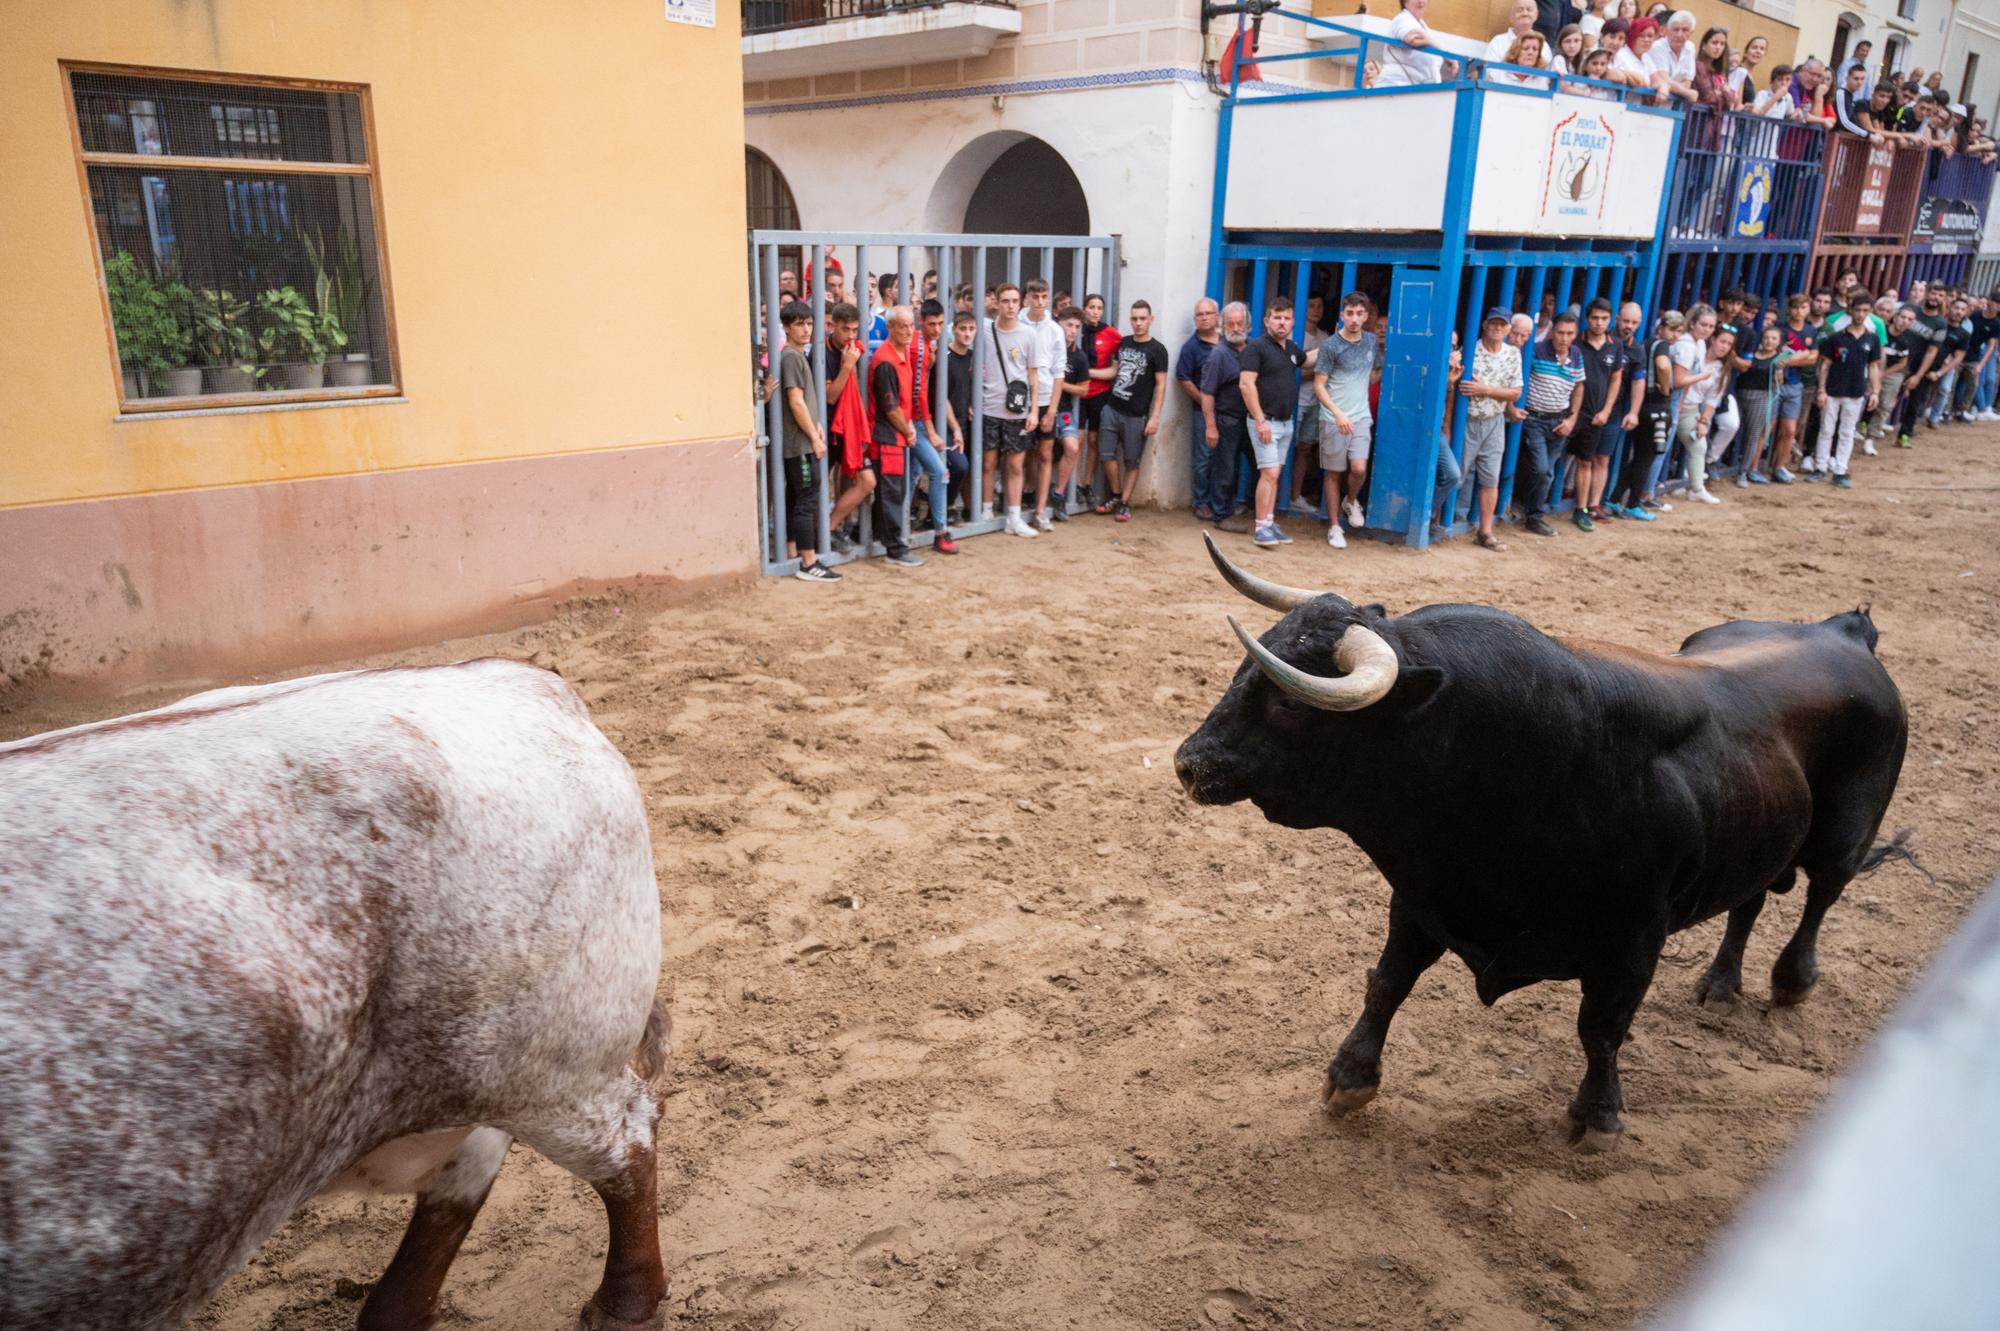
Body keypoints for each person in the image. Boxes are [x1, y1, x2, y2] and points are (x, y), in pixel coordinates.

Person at [775, 301, 840, 583]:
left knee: (797, 499)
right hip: (800, 444)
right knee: (807, 500)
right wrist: (814, 437)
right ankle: (808, 562)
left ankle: (792, 552)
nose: (806, 329)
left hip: (804, 439)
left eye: (809, 323)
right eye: (800, 324)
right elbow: (795, 401)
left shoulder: (799, 354)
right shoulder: (790, 356)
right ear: (787, 327)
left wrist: (817, 426)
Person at [1237, 297, 1306, 546]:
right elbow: (1246, 384)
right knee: (1269, 473)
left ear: (1293, 322)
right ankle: (1260, 527)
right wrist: (1260, 420)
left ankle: (1269, 521)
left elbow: (1308, 360)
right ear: (1267, 321)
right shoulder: (1256, 347)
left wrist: (1339, 341)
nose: (1282, 323)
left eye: (1287, 318)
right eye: (1277, 318)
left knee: (1274, 474)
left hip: (1285, 423)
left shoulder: (1290, 349)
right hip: (1265, 422)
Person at [1314, 291, 1381, 549]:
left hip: (1361, 416)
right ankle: (1334, 526)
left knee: (1359, 468)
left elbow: (1373, 375)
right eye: (1349, 313)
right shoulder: (1331, 345)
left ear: (1366, 316)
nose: (1354, 319)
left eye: (1359, 314)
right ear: (1342, 315)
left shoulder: (1371, 342)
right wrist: (1337, 412)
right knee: (1333, 473)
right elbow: (1320, 385)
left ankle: (1350, 501)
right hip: (1333, 418)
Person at [1093, 300, 1169, 523]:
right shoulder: (1124, 343)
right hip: (1112, 408)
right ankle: (1116, 495)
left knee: (1132, 461)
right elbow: (1113, 372)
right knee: (1106, 455)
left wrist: (1154, 417)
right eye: (1134, 319)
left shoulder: (1158, 350)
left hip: (1137, 415)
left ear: (1150, 320)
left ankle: (1125, 503)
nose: (1138, 323)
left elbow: (1161, 386)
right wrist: (1086, 373)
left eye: (1142, 319)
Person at [863, 306, 928, 567]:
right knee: (892, 493)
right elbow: (890, 407)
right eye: (903, 325)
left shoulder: (899, 355)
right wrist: (908, 429)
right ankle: (895, 549)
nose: (909, 330)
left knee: (893, 491)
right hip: (888, 436)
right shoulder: (887, 360)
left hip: (892, 435)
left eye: (911, 325)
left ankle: (883, 538)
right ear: (889, 327)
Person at [981, 282, 1044, 538]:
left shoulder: (1029, 334)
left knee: (1016, 465)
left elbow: (1033, 375)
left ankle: (1014, 517)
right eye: (1005, 301)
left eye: (1014, 301)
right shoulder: (985, 331)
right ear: (996, 302)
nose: (1010, 306)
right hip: (990, 406)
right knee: (988, 462)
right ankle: (985, 512)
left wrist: (1034, 411)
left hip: (1017, 410)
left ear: (1021, 303)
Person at [1457, 307, 1523, 549]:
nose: (1497, 328)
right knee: (1457, 475)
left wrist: (1486, 390)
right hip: (1468, 420)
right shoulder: (1469, 352)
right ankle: (1442, 521)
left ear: (1508, 328)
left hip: (1495, 421)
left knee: (1490, 479)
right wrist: (1498, 393)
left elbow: (1516, 391)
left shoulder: (1512, 353)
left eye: (1502, 324)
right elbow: (1462, 387)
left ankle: (1485, 531)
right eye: (1493, 323)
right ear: (1484, 324)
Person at [1518, 310, 1585, 536]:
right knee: (1542, 470)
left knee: (1547, 472)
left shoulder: (1576, 354)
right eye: (1560, 333)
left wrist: (1572, 418)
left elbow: (1579, 386)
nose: (1564, 338)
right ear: (1552, 332)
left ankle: (1532, 514)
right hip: (1534, 418)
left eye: (1569, 333)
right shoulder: (1536, 351)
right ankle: (1533, 515)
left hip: (1560, 421)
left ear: (1575, 334)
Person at [1611, 309, 1683, 518]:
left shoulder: (1645, 344)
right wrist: (1666, 386)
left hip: (1642, 407)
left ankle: (1616, 499)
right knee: (1646, 458)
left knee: (1639, 457)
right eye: (1672, 330)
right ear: (1661, 328)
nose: (1675, 335)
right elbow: (1662, 365)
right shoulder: (1661, 346)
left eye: (1679, 331)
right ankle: (1633, 503)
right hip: (1657, 407)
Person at [1812, 289, 1882, 488]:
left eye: (1864, 311)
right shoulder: (1836, 338)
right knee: (1827, 429)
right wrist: (1822, 390)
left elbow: (1874, 366)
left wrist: (1875, 391)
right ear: (1850, 310)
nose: (1860, 314)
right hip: (1833, 389)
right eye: (1857, 310)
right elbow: (1824, 366)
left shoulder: (1872, 339)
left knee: (1847, 431)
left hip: (1855, 390)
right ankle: (1821, 466)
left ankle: (1840, 469)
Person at [909, 299, 962, 553]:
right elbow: (918, 392)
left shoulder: (927, 344)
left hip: (916, 418)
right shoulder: (919, 346)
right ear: (921, 322)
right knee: (940, 472)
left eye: (941, 324)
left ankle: (899, 526)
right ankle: (940, 531)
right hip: (915, 420)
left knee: (911, 475)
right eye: (932, 324)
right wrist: (930, 431)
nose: (938, 329)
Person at [1570, 298, 1627, 527]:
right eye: (1594, 318)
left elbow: (1616, 379)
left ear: (1612, 320)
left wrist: (1606, 410)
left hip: (1596, 413)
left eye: (1604, 319)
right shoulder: (1575, 341)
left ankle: (1581, 508)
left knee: (1586, 460)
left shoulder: (1615, 344)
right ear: (1587, 319)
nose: (1599, 323)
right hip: (1570, 411)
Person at [1020, 279, 1071, 531]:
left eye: (1044, 296)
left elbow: (1059, 371)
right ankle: (1015, 507)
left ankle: (1041, 511)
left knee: (1045, 454)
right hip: (1019, 399)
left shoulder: (1055, 330)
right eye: (1035, 296)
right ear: (1027, 297)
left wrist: (1052, 409)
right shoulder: (1017, 322)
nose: (1040, 302)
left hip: (1046, 399)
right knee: (1017, 456)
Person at [1199, 303, 1252, 527]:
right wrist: (1211, 426)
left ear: (1248, 325)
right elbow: (1207, 394)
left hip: (1248, 420)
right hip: (1226, 420)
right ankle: (1221, 515)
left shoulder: (1252, 350)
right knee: (1225, 469)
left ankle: (1240, 505)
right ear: (1223, 325)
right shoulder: (1218, 355)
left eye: (1240, 323)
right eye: (1231, 323)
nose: (1236, 327)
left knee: (1250, 466)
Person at [1668, 303, 1721, 502]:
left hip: (1687, 405)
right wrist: (1703, 376)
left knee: (1698, 446)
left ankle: (1696, 488)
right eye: (1703, 325)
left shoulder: (1699, 344)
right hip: (1678, 403)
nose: (1707, 330)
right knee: (1660, 450)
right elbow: (1679, 380)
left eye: (1711, 326)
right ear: (1693, 324)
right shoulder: (1686, 345)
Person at [1176, 298, 1222, 519]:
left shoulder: (1229, 342)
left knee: (1225, 459)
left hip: (1230, 412)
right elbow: (1184, 380)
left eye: (1208, 313)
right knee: (1203, 459)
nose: (1204, 318)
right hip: (1202, 414)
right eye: (1199, 315)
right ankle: (1202, 502)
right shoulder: (1191, 348)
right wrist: (1206, 403)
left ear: (1217, 316)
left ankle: (1224, 503)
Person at [1890, 287, 1949, 449]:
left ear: (1944, 299)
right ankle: (1867, 428)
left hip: (1919, 366)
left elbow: (1932, 351)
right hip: (1895, 361)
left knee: (1915, 403)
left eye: (1940, 295)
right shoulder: (1910, 310)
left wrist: (1919, 375)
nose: (1935, 297)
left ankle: (1904, 435)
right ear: (1927, 294)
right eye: (1933, 293)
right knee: (1886, 398)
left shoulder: (1941, 324)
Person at [1076, 292, 1121, 502]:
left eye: (1099, 307)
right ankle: (1073, 485)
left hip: (1099, 393)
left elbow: (1122, 357)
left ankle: (1086, 483)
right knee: (1078, 439)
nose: (1095, 311)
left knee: (1093, 440)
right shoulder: (1077, 330)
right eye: (1091, 307)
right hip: (1077, 392)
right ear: (1084, 308)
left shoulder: (1110, 334)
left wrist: (1089, 372)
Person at [1690, 322, 1741, 499]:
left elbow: (1713, 398)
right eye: (1722, 341)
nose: (1724, 347)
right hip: (1686, 402)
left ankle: (1708, 462)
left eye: (1729, 344)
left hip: (1704, 404)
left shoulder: (1722, 368)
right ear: (1713, 339)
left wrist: (1703, 420)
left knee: (1726, 425)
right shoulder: (1697, 350)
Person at [1732, 323, 1786, 486]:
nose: (1769, 341)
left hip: (1761, 397)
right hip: (1740, 393)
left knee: (1753, 435)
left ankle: (1743, 471)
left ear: (1779, 342)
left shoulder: (1779, 360)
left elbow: (1778, 384)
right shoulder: (1751, 354)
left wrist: (1779, 371)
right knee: (1732, 428)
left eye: (1774, 338)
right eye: (1767, 337)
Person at [1291, 293, 1325, 514]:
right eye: (1311, 305)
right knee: (1287, 449)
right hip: (1295, 400)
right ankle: (1279, 497)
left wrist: (1310, 371)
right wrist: (1317, 372)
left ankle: (1295, 496)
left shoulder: (1325, 337)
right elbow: (1293, 372)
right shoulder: (1295, 336)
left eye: (1319, 306)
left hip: (1316, 401)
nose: (1316, 310)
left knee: (1305, 448)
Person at [1869, 303, 1920, 443]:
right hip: (1871, 368)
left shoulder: (1907, 340)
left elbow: (1902, 363)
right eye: (1903, 317)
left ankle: (1871, 437)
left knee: (1885, 405)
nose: (1905, 321)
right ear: (1895, 317)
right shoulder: (1881, 330)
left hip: (1892, 372)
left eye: (1910, 320)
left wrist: (1884, 373)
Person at [1378, 0, 1458, 87]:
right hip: (1395, 87)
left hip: (1415, 90)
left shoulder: (1421, 26)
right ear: (1404, 2)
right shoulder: (1403, 19)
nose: (1421, 1)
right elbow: (1413, 37)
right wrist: (1446, 54)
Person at [1647, 10, 1699, 102]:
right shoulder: (1657, 46)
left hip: (1672, 105)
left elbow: (1687, 83)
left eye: (1685, 30)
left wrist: (1672, 86)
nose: (1679, 34)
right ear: (1667, 30)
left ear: (1692, 32)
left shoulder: (1690, 48)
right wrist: (1687, 93)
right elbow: (1663, 79)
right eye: (1675, 29)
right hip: (1651, 102)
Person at [1611, 17, 1662, 92]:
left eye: (1650, 36)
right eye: (1641, 35)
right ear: (1633, 35)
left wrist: (1662, 87)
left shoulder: (1646, 57)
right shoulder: (1620, 54)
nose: (1646, 40)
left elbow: (1657, 80)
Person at [1692, 26, 1736, 110]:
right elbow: (1709, 98)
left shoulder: (1719, 71)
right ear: (1704, 45)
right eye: (1714, 43)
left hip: (1714, 121)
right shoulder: (1698, 66)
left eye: (1722, 44)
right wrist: (1726, 93)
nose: (1718, 47)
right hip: (1697, 119)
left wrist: (1722, 94)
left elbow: (1730, 104)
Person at [1832, 60, 1876, 137]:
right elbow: (1844, 122)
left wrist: (1869, 134)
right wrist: (1867, 135)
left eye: (1862, 79)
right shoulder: (1840, 93)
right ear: (1847, 78)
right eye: (1856, 78)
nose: (1859, 82)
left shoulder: (1849, 96)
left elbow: (1853, 121)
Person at [1728, 33, 1767, 101]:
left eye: (1762, 49)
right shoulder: (1737, 70)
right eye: (1754, 47)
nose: (1758, 51)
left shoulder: (1749, 75)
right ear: (1745, 52)